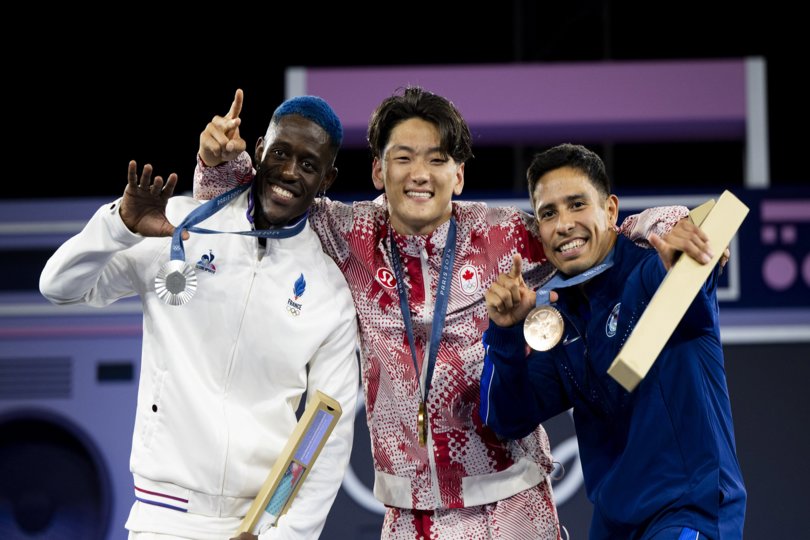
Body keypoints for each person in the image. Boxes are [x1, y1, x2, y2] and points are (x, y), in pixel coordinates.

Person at [195, 87, 709, 539]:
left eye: (438, 160)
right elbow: (261, 204)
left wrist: (676, 223)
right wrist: (222, 163)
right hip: (408, 516)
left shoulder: (504, 234)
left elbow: (591, 235)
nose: (420, 174)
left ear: (458, 175)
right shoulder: (347, 234)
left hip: (514, 510)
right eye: (403, 158)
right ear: (379, 169)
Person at [39, 95, 360, 540]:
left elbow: (329, 430)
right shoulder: (176, 223)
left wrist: (287, 536)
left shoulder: (330, 293)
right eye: (281, 153)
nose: (289, 172)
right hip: (162, 519)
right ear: (261, 148)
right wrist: (119, 226)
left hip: (255, 525)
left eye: (308, 164)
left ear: (328, 178)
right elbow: (58, 286)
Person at [481, 143, 746, 539]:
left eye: (576, 205)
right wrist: (503, 333)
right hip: (613, 526)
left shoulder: (648, 269)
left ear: (610, 210)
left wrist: (686, 260)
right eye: (548, 213)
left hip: (688, 515)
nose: (564, 224)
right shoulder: (559, 316)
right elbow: (507, 420)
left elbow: (683, 275)